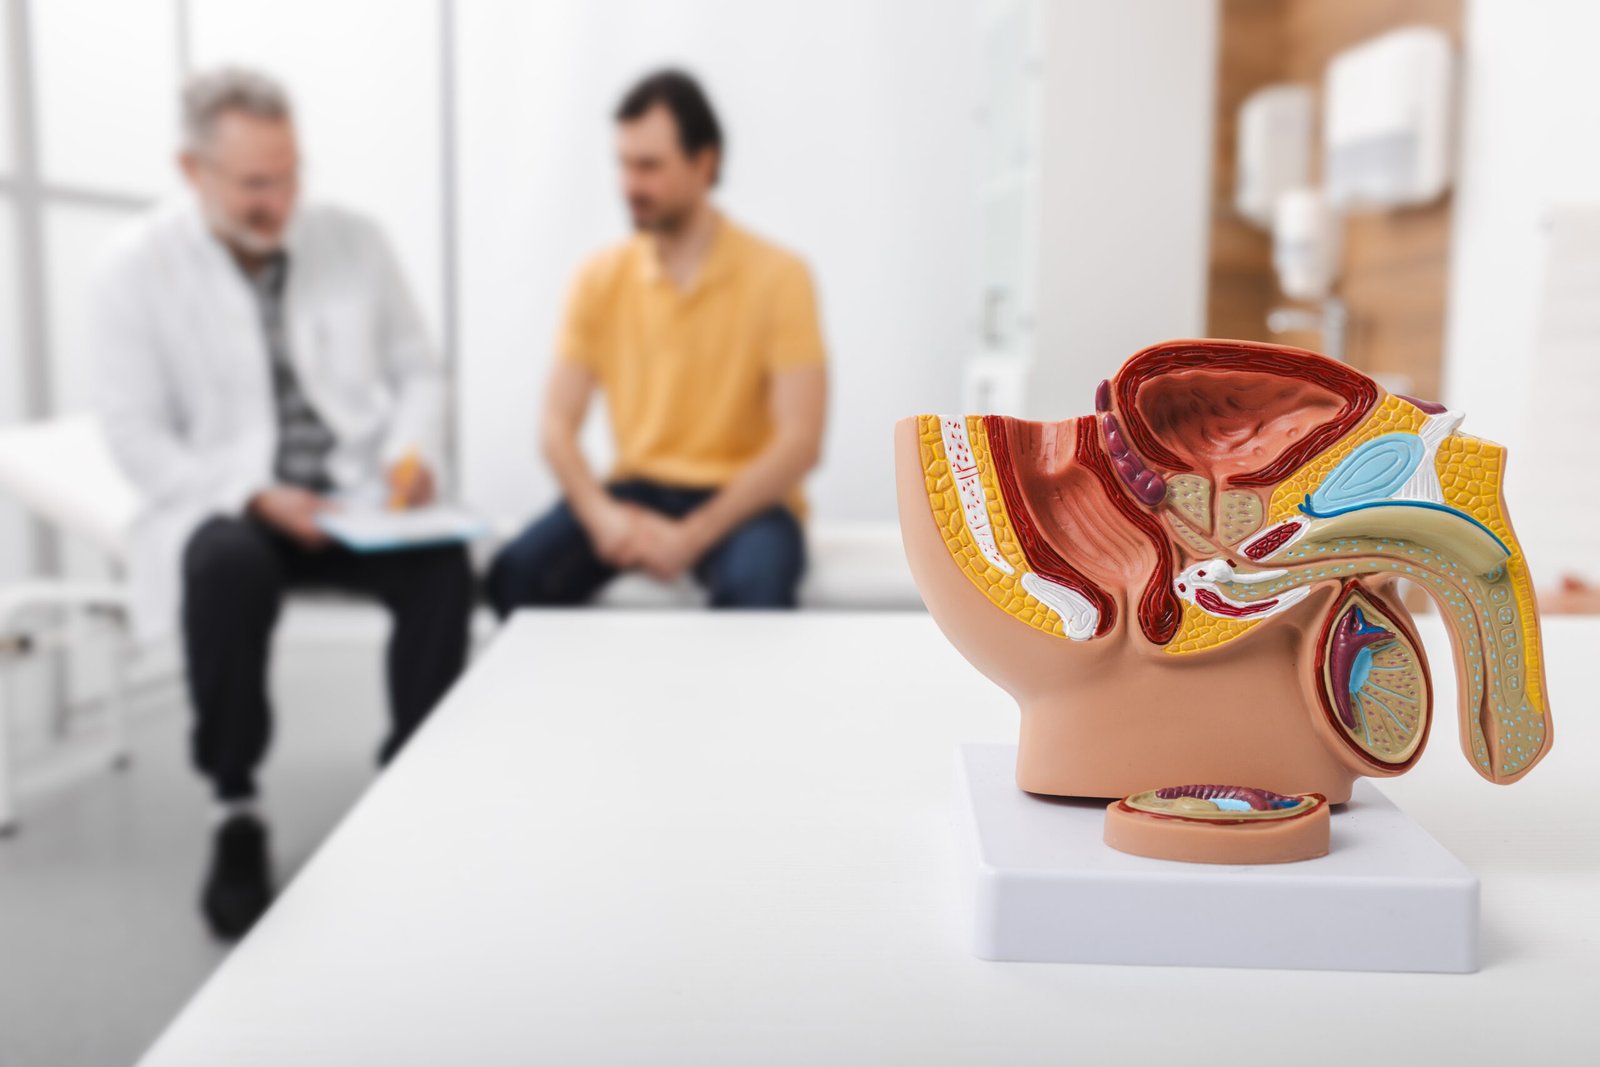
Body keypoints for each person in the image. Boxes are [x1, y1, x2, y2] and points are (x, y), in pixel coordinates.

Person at [90, 68, 474, 939]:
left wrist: (413, 455)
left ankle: (410, 779)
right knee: (223, 565)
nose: (283, 199)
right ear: (192, 171)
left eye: (292, 173)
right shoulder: (130, 270)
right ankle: (235, 807)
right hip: (232, 503)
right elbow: (134, 435)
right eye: (257, 182)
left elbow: (417, 368)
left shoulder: (355, 240)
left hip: (351, 493)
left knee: (443, 561)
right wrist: (253, 493)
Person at [486, 70, 828, 614]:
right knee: (514, 576)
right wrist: (603, 517)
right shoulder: (598, 277)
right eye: (623, 163)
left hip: (744, 502)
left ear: (704, 164)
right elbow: (555, 427)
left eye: (648, 166)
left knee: (754, 594)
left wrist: (691, 535)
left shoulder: (781, 276)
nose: (629, 184)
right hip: (635, 493)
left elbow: (800, 441)